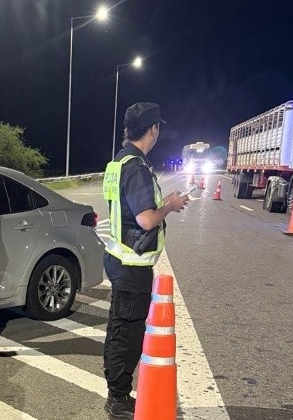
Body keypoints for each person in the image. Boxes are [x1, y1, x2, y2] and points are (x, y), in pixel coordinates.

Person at [101, 102, 188, 419]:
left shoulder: (118, 161)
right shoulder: (136, 167)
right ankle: (118, 399)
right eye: (158, 128)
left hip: (119, 256)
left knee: (119, 327)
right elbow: (146, 219)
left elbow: (125, 211)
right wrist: (170, 206)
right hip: (131, 264)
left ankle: (116, 391)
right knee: (128, 333)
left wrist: (164, 203)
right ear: (153, 129)